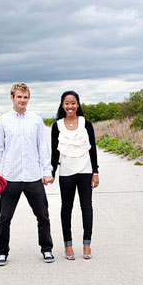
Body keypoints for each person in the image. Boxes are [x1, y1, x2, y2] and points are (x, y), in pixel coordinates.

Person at [0, 83, 55, 266]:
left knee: (43, 215)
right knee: (5, 218)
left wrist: (47, 171)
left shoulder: (36, 120)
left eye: (25, 97)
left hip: (33, 177)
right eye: (19, 97)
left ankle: (47, 249)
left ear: (28, 98)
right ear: (12, 97)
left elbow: (43, 148)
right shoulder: (2, 121)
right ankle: (2, 252)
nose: (22, 100)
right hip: (10, 177)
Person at [51, 90, 99, 260]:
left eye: (73, 103)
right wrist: (51, 173)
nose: (70, 106)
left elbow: (93, 149)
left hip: (85, 170)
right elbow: (54, 153)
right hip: (66, 172)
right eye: (67, 103)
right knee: (66, 208)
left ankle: (87, 244)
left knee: (87, 207)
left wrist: (95, 172)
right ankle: (68, 246)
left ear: (77, 104)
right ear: (62, 105)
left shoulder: (87, 124)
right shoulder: (57, 126)